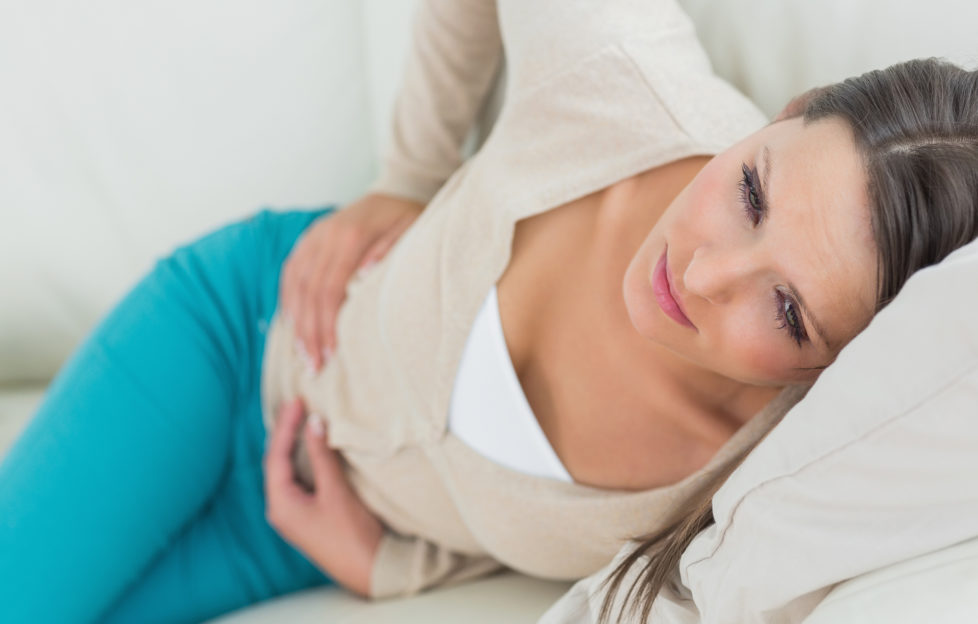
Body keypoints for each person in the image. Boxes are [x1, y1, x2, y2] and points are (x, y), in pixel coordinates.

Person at [1, 2, 977, 624]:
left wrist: (393, 568)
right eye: (754, 193)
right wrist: (407, 177)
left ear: (837, 365)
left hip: (287, 528)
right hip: (231, 341)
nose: (706, 271)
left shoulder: (759, 484)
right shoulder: (620, 80)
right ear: (784, 114)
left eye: (789, 310)